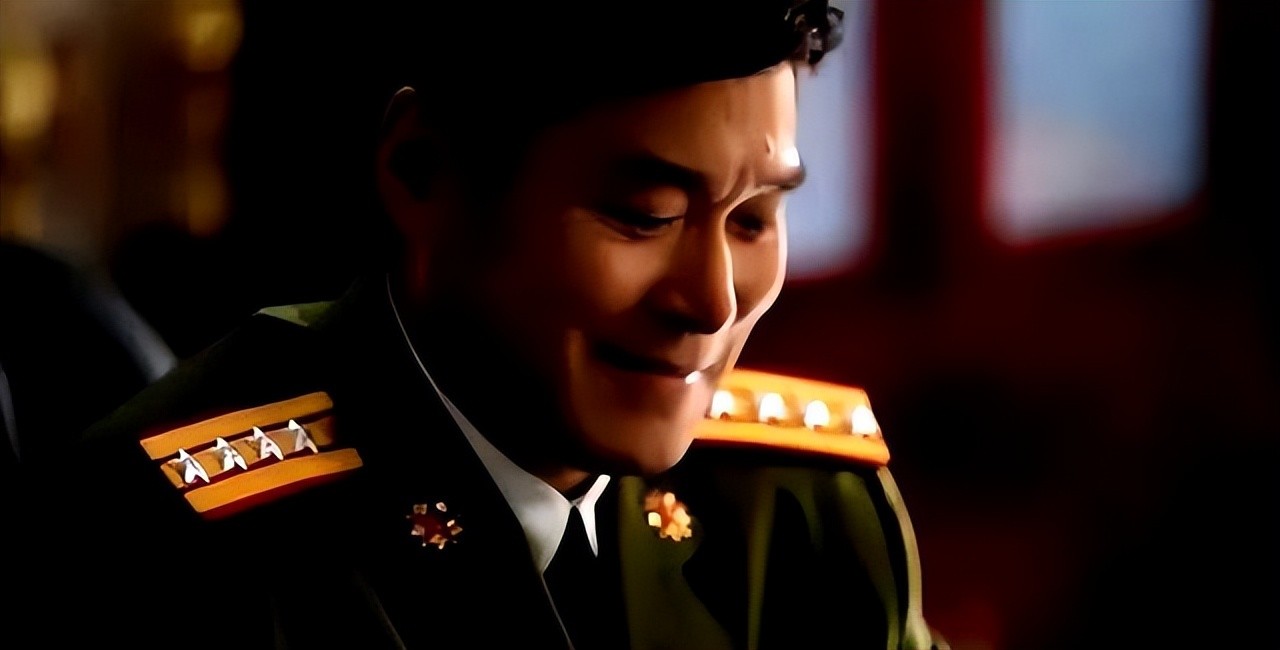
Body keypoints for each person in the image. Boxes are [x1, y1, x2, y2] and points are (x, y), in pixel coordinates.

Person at [11, 2, 947, 648]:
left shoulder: (795, 511)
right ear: (423, 174)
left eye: (753, 221)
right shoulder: (188, 555)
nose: (713, 302)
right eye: (645, 217)